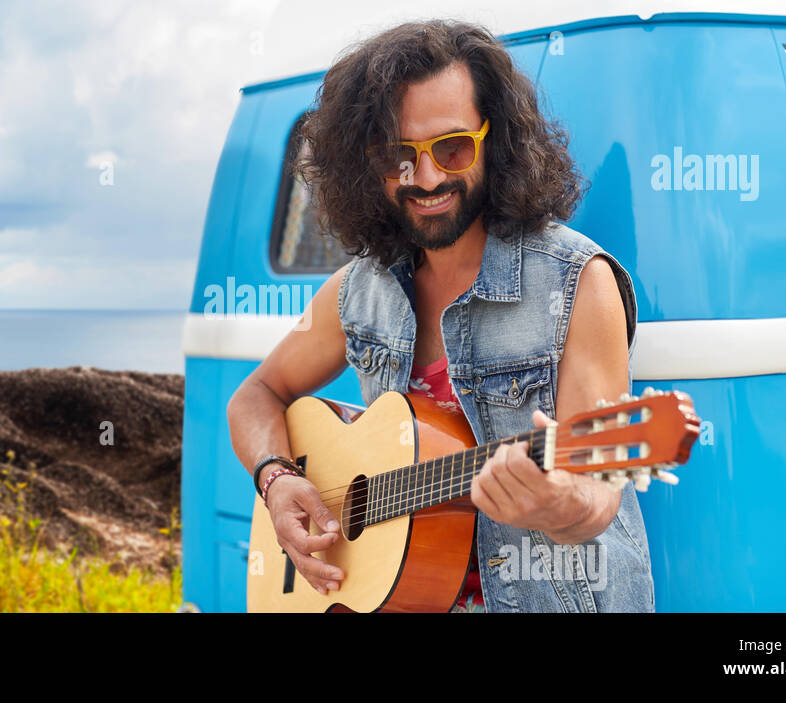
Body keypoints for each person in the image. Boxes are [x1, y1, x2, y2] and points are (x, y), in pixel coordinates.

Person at [226, 19, 655, 612]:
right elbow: (254, 396)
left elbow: (598, 494)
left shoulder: (578, 282)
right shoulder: (357, 291)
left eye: (452, 148)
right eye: (399, 155)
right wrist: (277, 480)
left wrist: (555, 503)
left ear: (495, 140)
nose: (426, 177)